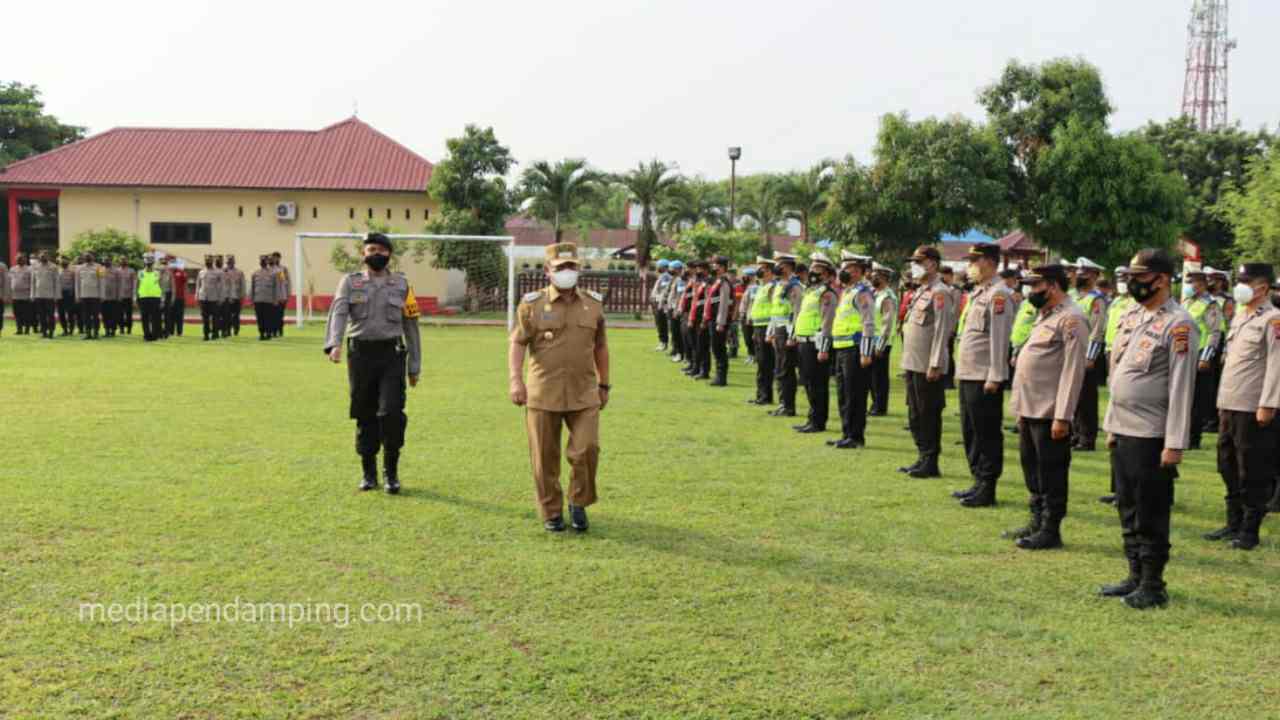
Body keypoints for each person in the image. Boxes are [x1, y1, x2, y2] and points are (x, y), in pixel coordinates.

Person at [1099, 248, 1196, 609]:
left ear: (1162, 280)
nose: (1133, 284)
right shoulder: (1132, 315)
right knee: (1126, 505)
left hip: (1152, 433)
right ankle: (1134, 574)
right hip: (1123, 427)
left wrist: (1175, 443)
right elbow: (1119, 373)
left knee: (1150, 509)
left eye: (1140, 279)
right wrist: (1110, 423)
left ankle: (1154, 584)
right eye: (1131, 278)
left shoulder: (1179, 323)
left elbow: (1181, 388)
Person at [508, 242, 608, 532]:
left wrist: (605, 383)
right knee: (544, 457)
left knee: (587, 449)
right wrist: (515, 379)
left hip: (584, 391)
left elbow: (601, 346)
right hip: (543, 392)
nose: (567, 272)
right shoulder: (532, 303)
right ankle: (551, 511)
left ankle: (578, 502)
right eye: (561, 267)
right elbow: (517, 342)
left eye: (572, 267)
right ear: (547, 271)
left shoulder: (593, 304)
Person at [324, 233, 422, 494]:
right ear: (363, 254)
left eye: (380, 249)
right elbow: (339, 312)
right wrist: (335, 343)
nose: (374, 253)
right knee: (365, 414)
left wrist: (415, 364)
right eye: (370, 249)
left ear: (389, 254)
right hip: (360, 356)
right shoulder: (350, 282)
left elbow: (411, 325)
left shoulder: (402, 285)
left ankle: (391, 474)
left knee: (391, 413)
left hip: (391, 356)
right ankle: (369, 473)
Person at [1006, 264, 1088, 550]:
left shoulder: (1072, 318)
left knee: (1051, 470)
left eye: (1035, 285)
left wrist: (1063, 416)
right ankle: (1036, 520)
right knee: (1032, 468)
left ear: (1052, 286)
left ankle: (1051, 528)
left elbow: (1072, 370)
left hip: (1050, 410)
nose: (1030, 291)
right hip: (1030, 407)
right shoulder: (1046, 315)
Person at [1209, 262, 1280, 550]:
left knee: (1252, 469)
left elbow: (1276, 365)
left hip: (1253, 406)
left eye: (1245, 281)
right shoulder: (1241, 316)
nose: (1239, 285)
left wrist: (1269, 404)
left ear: (1262, 286)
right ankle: (1232, 522)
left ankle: (1249, 530)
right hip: (1230, 402)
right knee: (1226, 464)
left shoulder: (1273, 320)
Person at [953, 243, 1016, 507]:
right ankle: (977, 480)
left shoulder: (999, 295)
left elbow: (1000, 340)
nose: (970, 266)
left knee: (986, 432)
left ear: (989, 262)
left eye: (974, 261)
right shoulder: (980, 293)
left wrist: (996, 375)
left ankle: (987, 486)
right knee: (970, 431)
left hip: (984, 376)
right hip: (969, 372)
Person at [899, 246, 956, 478]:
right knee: (914, 413)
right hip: (913, 363)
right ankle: (921, 456)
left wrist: (935, 363)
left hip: (927, 365)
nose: (914, 266)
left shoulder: (940, 292)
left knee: (928, 413)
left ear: (932, 264)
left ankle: (930, 461)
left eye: (919, 262)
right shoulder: (922, 290)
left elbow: (943, 330)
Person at [830, 252, 876, 448]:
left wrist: (866, 352)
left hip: (855, 349)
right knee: (842, 393)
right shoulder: (847, 292)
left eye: (849, 269)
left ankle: (856, 436)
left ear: (858, 272)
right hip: (841, 347)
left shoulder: (862, 293)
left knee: (854, 394)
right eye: (844, 269)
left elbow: (868, 323)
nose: (844, 272)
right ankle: (846, 432)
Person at [793, 253, 838, 434]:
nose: (813, 273)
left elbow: (827, 323)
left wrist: (824, 348)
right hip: (804, 341)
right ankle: (811, 418)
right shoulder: (810, 291)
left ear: (827, 274)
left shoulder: (827, 294)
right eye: (812, 269)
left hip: (816, 344)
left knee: (818, 384)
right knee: (808, 383)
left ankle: (818, 421)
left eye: (818, 270)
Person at [1181, 265, 1222, 450]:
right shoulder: (1187, 302)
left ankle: (1193, 437)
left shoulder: (1210, 304)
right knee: (1183, 397)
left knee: (1197, 399)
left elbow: (1214, 332)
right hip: (1183, 353)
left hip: (1200, 354)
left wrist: (1206, 357)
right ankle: (1181, 433)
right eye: (1189, 282)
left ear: (1204, 284)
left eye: (1195, 282)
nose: (1191, 285)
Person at [1072, 257, 1108, 451]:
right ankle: (1076, 433)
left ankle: (1087, 437)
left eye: (1084, 273)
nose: (1080, 276)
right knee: (1074, 397)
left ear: (1094, 276)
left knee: (1086, 398)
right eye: (1079, 273)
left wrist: (1091, 356)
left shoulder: (1096, 300)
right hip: (1073, 352)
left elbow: (1097, 330)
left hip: (1086, 354)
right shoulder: (1075, 298)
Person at [767, 254, 803, 418]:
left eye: (779, 264)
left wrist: (792, 335)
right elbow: (775, 312)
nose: (776, 267)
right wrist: (771, 331)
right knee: (779, 368)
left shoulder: (794, 286)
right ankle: (782, 403)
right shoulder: (779, 285)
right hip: (778, 331)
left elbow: (797, 312)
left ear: (788, 267)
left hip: (788, 332)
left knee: (786, 369)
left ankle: (788, 406)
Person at [869, 264, 898, 416]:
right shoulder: (875, 293)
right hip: (872, 340)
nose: (873, 277)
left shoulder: (887, 296)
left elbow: (887, 323)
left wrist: (880, 345)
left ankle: (880, 407)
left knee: (879, 377)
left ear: (885, 278)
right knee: (872, 376)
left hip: (882, 342)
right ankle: (875, 404)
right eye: (873, 274)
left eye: (877, 276)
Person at [747, 257, 777, 406]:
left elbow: (774, 310)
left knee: (766, 363)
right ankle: (760, 394)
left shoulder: (772, 287)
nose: (759, 271)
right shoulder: (761, 287)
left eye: (762, 268)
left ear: (770, 271)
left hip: (767, 328)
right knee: (760, 362)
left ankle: (766, 396)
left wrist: (770, 332)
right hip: (759, 327)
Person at [706, 256, 733, 387]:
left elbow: (723, 304)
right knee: (715, 348)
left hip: (719, 321)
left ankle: (721, 377)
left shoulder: (724, 283)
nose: (713, 267)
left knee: (719, 348)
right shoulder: (716, 281)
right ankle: (718, 376)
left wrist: (720, 322)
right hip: (713, 319)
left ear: (722, 267)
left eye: (715, 265)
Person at [30, 251, 60, 339]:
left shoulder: (53, 267)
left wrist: (57, 295)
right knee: (41, 315)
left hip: (50, 295)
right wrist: (32, 295)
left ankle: (51, 331)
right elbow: (33, 282)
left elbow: (57, 282)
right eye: (41, 256)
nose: (43, 257)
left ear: (48, 257)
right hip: (39, 295)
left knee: (50, 315)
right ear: (39, 257)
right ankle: (44, 332)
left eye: (45, 256)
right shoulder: (35, 267)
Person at [75, 253, 104, 340]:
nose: (87, 257)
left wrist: (102, 295)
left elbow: (102, 282)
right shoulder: (79, 268)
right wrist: (77, 295)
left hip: (95, 295)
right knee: (85, 315)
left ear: (93, 257)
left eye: (89, 255)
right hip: (84, 295)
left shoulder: (100, 267)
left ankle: (96, 333)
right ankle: (88, 333)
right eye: (86, 256)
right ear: (84, 257)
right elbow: (77, 283)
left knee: (95, 315)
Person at [136, 255, 165, 341]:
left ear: (152, 263)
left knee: (155, 318)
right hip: (143, 298)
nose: (148, 264)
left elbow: (161, 286)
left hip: (155, 298)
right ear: (144, 262)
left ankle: (154, 335)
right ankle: (146, 335)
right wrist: (135, 297)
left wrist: (162, 298)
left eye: (150, 262)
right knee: (144, 318)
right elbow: (137, 286)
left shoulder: (157, 273)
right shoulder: (140, 273)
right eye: (147, 262)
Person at [197, 254, 224, 341]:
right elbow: (198, 285)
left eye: (209, 261)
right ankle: (206, 334)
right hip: (203, 298)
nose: (207, 262)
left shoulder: (218, 272)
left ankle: (215, 334)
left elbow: (221, 286)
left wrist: (221, 298)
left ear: (212, 262)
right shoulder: (201, 272)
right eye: (206, 261)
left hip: (214, 298)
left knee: (215, 318)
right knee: (205, 318)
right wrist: (197, 295)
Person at [251, 255, 278, 340]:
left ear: (267, 262)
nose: (263, 262)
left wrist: (275, 299)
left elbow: (275, 288)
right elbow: (252, 287)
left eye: (264, 261)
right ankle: (261, 333)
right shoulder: (255, 273)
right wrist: (252, 299)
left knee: (268, 318)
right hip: (258, 299)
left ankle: (268, 333)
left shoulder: (273, 274)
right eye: (261, 261)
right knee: (259, 318)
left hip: (268, 300)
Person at [665, 261, 687, 363]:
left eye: (672, 268)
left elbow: (679, 295)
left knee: (677, 332)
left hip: (677, 309)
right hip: (672, 307)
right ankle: (678, 351)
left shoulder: (681, 280)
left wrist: (676, 309)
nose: (670, 270)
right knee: (674, 331)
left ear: (678, 269)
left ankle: (680, 353)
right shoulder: (675, 279)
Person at [650, 259, 673, 352]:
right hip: (657, 302)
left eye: (659, 266)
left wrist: (659, 301)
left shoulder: (666, 277)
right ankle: (663, 342)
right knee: (660, 323)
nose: (657, 268)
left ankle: (664, 343)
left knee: (662, 323)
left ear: (663, 267)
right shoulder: (662, 276)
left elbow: (664, 291)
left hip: (662, 304)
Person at [9, 254, 33, 335]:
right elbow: (10, 281)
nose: (19, 260)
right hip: (15, 295)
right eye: (18, 259)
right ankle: (19, 330)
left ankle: (27, 330)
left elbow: (32, 283)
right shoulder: (12, 269)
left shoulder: (30, 269)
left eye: (21, 259)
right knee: (17, 313)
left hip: (26, 295)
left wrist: (31, 295)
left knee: (27, 313)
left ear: (25, 260)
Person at [224, 255, 245, 337]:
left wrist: (242, 296)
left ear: (234, 262)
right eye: (228, 262)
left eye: (231, 261)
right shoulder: (223, 271)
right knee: (227, 316)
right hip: (226, 297)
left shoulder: (239, 272)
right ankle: (228, 331)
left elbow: (242, 285)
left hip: (236, 297)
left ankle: (236, 330)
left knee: (236, 316)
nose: (229, 263)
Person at [58, 255, 79, 336]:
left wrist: (74, 293)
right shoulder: (57, 271)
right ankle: (65, 330)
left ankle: (71, 330)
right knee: (61, 313)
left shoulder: (72, 271)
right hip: (60, 294)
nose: (63, 262)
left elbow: (75, 283)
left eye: (65, 260)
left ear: (68, 262)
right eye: (62, 260)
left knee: (70, 313)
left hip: (69, 294)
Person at [167, 259, 188, 337]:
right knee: (170, 315)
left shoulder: (181, 273)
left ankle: (179, 332)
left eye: (173, 263)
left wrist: (185, 296)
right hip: (170, 297)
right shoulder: (167, 273)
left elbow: (185, 285)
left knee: (179, 315)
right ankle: (170, 331)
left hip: (180, 297)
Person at [118, 258, 137, 335]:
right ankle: (121, 329)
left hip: (129, 296)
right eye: (122, 260)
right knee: (120, 314)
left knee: (129, 314)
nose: (123, 261)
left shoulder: (131, 271)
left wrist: (134, 297)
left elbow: (134, 284)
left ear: (127, 262)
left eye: (125, 260)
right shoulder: (117, 271)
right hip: (119, 296)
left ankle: (129, 329)